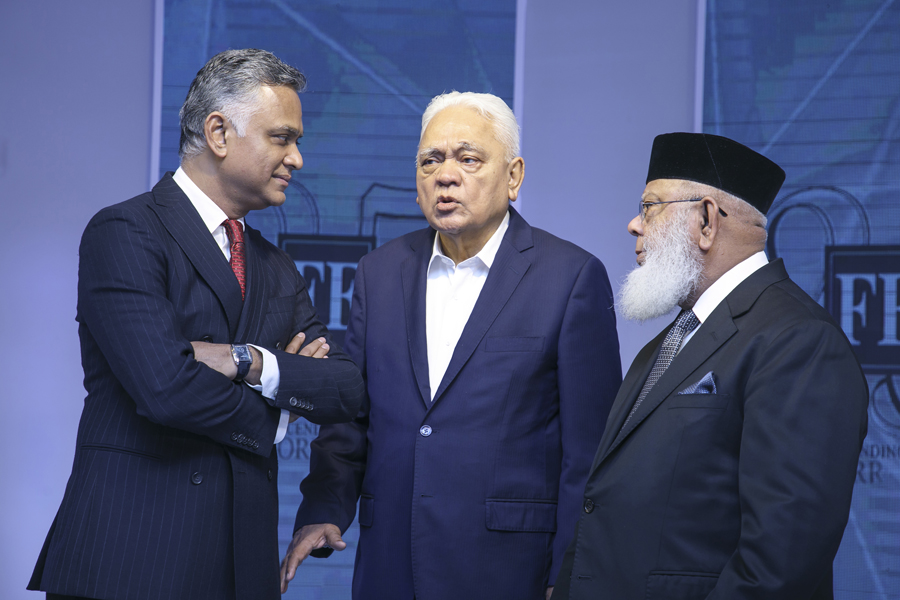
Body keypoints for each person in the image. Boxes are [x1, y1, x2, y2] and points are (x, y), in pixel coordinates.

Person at [28, 49, 365, 600]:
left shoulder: (276, 266)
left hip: (240, 570)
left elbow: (344, 388)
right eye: (282, 138)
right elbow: (166, 388)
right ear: (219, 133)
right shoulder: (125, 232)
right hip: (130, 563)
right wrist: (280, 404)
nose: (297, 159)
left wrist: (246, 361)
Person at [279, 92, 622, 599]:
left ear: (514, 176)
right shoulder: (379, 272)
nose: (445, 175)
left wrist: (567, 577)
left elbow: (589, 455)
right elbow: (352, 419)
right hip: (390, 567)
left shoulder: (571, 277)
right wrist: (324, 511)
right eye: (430, 160)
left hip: (508, 573)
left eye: (468, 158)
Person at [554, 132, 869, 599]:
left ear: (706, 220)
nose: (633, 226)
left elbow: (779, 563)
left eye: (650, 207)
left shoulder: (799, 341)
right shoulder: (668, 342)